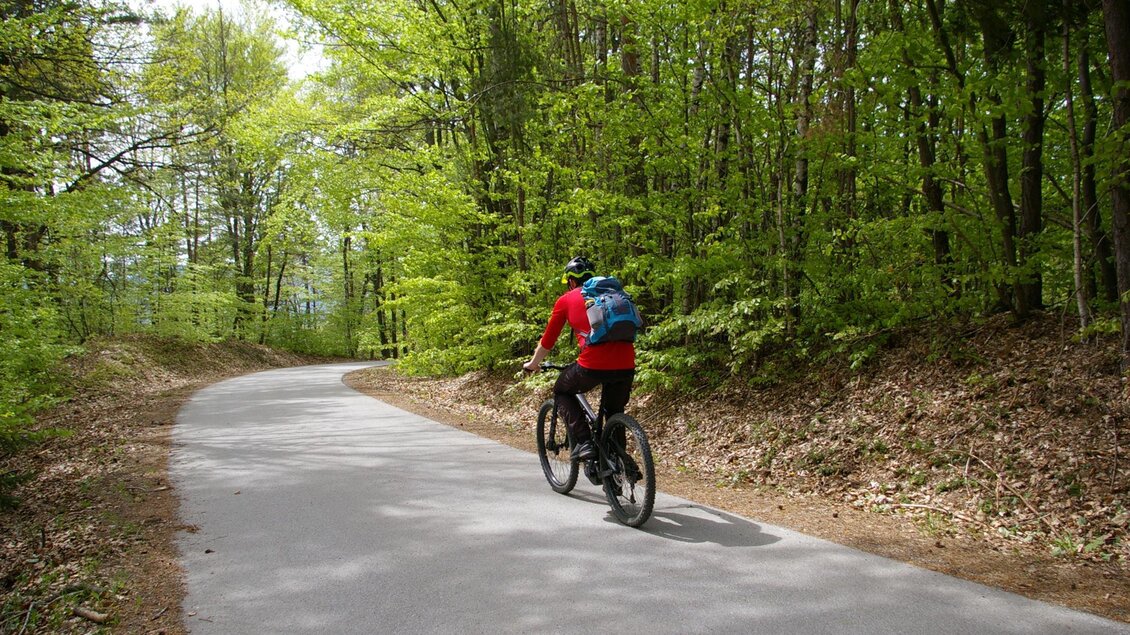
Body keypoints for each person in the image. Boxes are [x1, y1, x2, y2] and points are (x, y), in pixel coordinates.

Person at [523, 256, 635, 461]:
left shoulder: (566, 300)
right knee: (614, 411)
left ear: (572, 281)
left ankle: (584, 442)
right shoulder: (612, 295)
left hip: (593, 363)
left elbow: (548, 341)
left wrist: (533, 364)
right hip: (627, 362)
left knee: (561, 390)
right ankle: (620, 464)